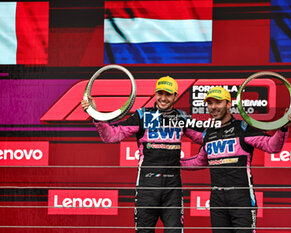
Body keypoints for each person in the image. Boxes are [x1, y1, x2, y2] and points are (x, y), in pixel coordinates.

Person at [81, 76, 203, 233]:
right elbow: (111, 136)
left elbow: (205, 138)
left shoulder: (182, 117)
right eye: (160, 93)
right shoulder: (142, 115)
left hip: (172, 189)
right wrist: (96, 115)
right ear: (155, 93)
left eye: (168, 94)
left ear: (175, 96)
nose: (163, 98)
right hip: (147, 187)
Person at [181, 87, 291, 233]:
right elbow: (199, 161)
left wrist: (283, 128)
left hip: (241, 197)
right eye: (210, 103)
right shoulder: (208, 133)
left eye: (218, 102)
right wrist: (173, 163)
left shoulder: (243, 128)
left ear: (229, 104)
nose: (213, 107)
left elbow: (272, 146)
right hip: (217, 199)